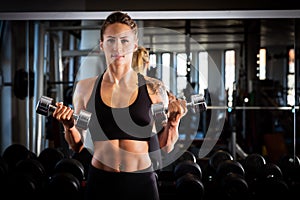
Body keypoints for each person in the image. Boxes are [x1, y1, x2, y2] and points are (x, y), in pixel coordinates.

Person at [52, 11, 187, 200]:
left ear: (134, 45)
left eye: (124, 41)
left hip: (141, 183)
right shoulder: (85, 89)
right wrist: (69, 127)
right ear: (101, 45)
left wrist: (173, 123)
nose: (118, 47)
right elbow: (78, 144)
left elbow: (165, 146)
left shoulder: (153, 89)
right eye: (111, 40)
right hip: (101, 181)